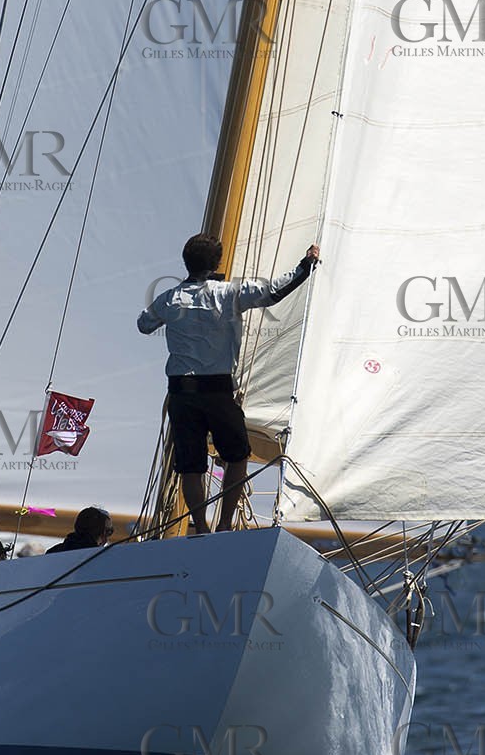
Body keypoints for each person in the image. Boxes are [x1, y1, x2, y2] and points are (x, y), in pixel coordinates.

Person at [137, 233, 318, 533]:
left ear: (186, 262)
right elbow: (274, 291)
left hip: (181, 393)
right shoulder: (229, 293)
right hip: (217, 392)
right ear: (216, 263)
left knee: (191, 467)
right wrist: (306, 264)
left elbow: (144, 325)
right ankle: (224, 523)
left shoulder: (168, 298)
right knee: (236, 456)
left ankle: (200, 526)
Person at [46, 506, 113, 554]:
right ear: (99, 532)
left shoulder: (52, 552)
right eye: (108, 532)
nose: (107, 538)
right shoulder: (100, 557)